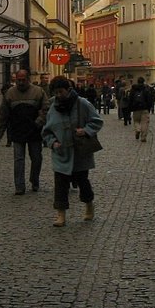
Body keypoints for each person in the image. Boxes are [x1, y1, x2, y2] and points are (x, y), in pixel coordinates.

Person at [42, 75, 104, 226]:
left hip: (80, 152)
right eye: (55, 92)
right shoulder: (53, 108)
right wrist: (52, 142)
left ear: (68, 90)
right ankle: (61, 214)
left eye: (61, 92)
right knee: (60, 185)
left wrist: (86, 130)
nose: (58, 95)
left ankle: (89, 204)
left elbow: (97, 121)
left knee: (83, 182)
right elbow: (46, 131)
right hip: (61, 153)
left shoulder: (82, 104)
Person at [0, 69, 49, 194]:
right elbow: (3, 114)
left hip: (34, 130)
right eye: (18, 80)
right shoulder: (10, 93)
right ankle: (19, 186)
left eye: (23, 80)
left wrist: (39, 121)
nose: (20, 82)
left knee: (36, 158)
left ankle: (34, 180)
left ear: (28, 79)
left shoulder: (38, 91)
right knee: (18, 159)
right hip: (17, 130)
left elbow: (46, 108)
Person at [127, 76, 154, 141]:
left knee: (136, 121)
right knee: (144, 123)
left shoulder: (133, 89)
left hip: (135, 108)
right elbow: (149, 99)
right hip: (144, 108)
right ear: (143, 82)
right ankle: (143, 137)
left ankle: (138, 129)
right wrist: (149, 107)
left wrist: (130, 108)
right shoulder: (146, 89)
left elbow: (130, 99)